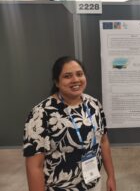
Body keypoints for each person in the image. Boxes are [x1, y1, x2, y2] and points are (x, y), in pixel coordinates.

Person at [23, 56, 116, 191]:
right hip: (61, 188)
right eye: (67, 76)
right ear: (57, 82)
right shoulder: (41, 113)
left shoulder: (93, 104)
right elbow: (34, 166)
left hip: (93, 183)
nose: (76, 80)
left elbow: (103, 141)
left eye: (79, 74)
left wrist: (111, 176)